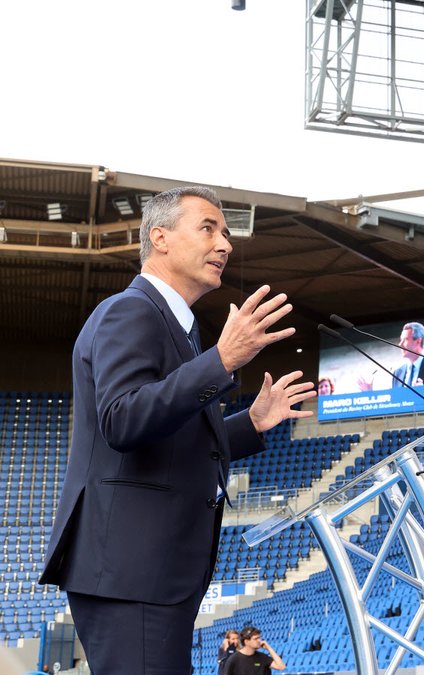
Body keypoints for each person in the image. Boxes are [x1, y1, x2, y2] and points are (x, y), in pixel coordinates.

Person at [39, 187, 315, 673]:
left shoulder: (179, 329)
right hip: (132, 573)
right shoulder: (132, 310)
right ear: (159, 237)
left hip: (150, 574)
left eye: (226, 233)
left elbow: (170, 445)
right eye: (208, 228)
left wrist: (250, 424)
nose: (225, 244)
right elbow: (122, 420)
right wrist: (222, 361)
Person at [358, 321, 424, 389]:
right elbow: (394, 404)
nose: (400, 344)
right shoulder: (397, 373)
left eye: (405, 340)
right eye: (400, 340)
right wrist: (369, 393)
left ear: (418, 341)